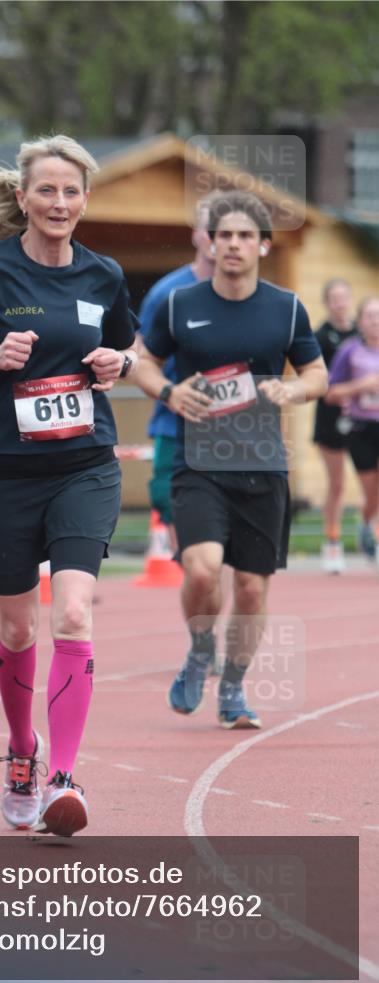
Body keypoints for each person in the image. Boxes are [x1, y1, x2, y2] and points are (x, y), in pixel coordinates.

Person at [0, 135, 138, 835]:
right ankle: (21, 751)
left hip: (84, 466)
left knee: (71, 612)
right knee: (16, 626)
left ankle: (63, 780)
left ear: (84, 200)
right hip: (3, 475)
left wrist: (116, 365)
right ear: (22, 198)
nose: (59, 203)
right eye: (46, 190)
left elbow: (129, 350)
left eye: (71, 192)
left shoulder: (102, 276)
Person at [133, 190, 327, 729]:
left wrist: (295, 392)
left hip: (263, 464)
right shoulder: (180, 304)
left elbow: (317, 373)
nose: (234, 245)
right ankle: (200, 648)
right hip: (199, 461)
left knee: (250, 587)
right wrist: (169, 393)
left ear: (263, 245)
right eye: (225, 236)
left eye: (245, 236)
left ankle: (234, 690)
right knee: (202, 567)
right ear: (210, 243)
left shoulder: (286, 308)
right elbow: (143, 363)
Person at [139, 192, 219, 548]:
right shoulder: (167, 294)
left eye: (230, 229)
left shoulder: (261, 296)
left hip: (240, 432)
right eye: (210, 228)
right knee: (188, 544)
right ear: (196, 235)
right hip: (177, 428)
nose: (220, 238)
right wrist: (169, 392)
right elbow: (141, 360)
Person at [326, 296, 379, 562]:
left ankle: (374, 532)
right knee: (372, 490)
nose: (376, 321)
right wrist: (362, 386)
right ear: (360, 321)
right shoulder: (350, 350)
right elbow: (331, 392)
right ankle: (366, 523)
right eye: (370, 315)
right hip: (361, 427)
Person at [312, 279, 357, 572]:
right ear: (327, 303)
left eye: (344, 297)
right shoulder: (320, 336)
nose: (340, 303)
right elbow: (316, 377)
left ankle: (372, 536)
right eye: (334, 298)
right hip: (330, 418)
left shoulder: (364, 334)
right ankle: (332, 541)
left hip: (364, 417)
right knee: (337, 484)